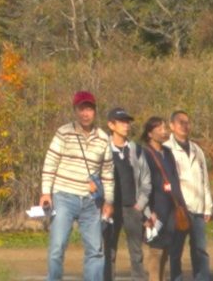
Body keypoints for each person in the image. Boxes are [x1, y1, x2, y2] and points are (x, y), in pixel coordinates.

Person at [40, 90, 121, 281]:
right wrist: (46, 193)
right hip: (63, 198)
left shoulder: (102, 138)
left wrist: (108, 201)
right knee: (57, 248)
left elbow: (108, 173)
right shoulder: (64, 132)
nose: (85, 113)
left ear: (95, 111)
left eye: (89, 109)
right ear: (75, 111)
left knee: (96, 251)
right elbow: (50, 163)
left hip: (91, 202)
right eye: (81, 109)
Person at [138, 117, 189, 281]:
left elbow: (175, 181)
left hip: (171, 210)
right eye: (159, 128)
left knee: (166, 251)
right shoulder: (143, 153)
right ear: (150, 133)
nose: (164, 131)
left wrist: (181, 206)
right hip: (154, 211)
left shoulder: (168, 152)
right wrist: (146, 213)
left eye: (164, 127)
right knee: (155, 253)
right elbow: (141, 185)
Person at [169, 111, 213, 281]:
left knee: (200, 250)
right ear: (171, 126)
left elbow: (204, 180)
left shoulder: (197, 150)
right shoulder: (168, 149)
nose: (184, 125)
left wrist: (207, 206)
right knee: (175, 251)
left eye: (187, 122)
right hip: (179, 209)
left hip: (197, 208)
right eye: (180, 122)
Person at [101, 108, 142, 281]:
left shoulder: (135, 150)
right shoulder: (103, 149)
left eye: (128, 121)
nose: (126, 125)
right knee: (109, 251)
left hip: (132, 206)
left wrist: (141, 204)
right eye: (122, 121)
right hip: (111, 207)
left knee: (137, 252)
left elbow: (144, 179)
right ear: (111, 125)